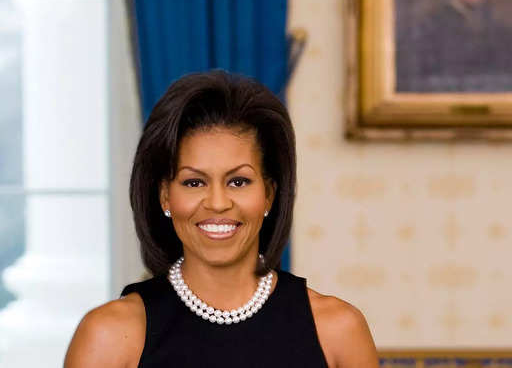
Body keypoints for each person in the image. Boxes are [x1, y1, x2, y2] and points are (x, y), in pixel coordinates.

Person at [64, 71, 377, 367]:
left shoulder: (338, 331)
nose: (217, 203)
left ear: (268, 194)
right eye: (194, 182)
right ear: (165, 196)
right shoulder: (108, 337)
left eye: (238, 181)